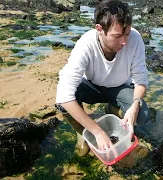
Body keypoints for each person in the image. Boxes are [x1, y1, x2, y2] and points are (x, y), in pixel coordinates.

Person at [55, 0, 149, 157]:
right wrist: (96, 131)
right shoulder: (85, 45)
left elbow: (141, 80)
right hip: (90, 87)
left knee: (142, 115)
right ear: (99, 29)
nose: (124, 42)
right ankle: (82, 132)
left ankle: (112, 109)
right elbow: (64, 96)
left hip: (119, 88)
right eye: (117, 36)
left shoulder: (135, 39)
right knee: (64, 104)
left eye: (127, 34)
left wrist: (135, 104)